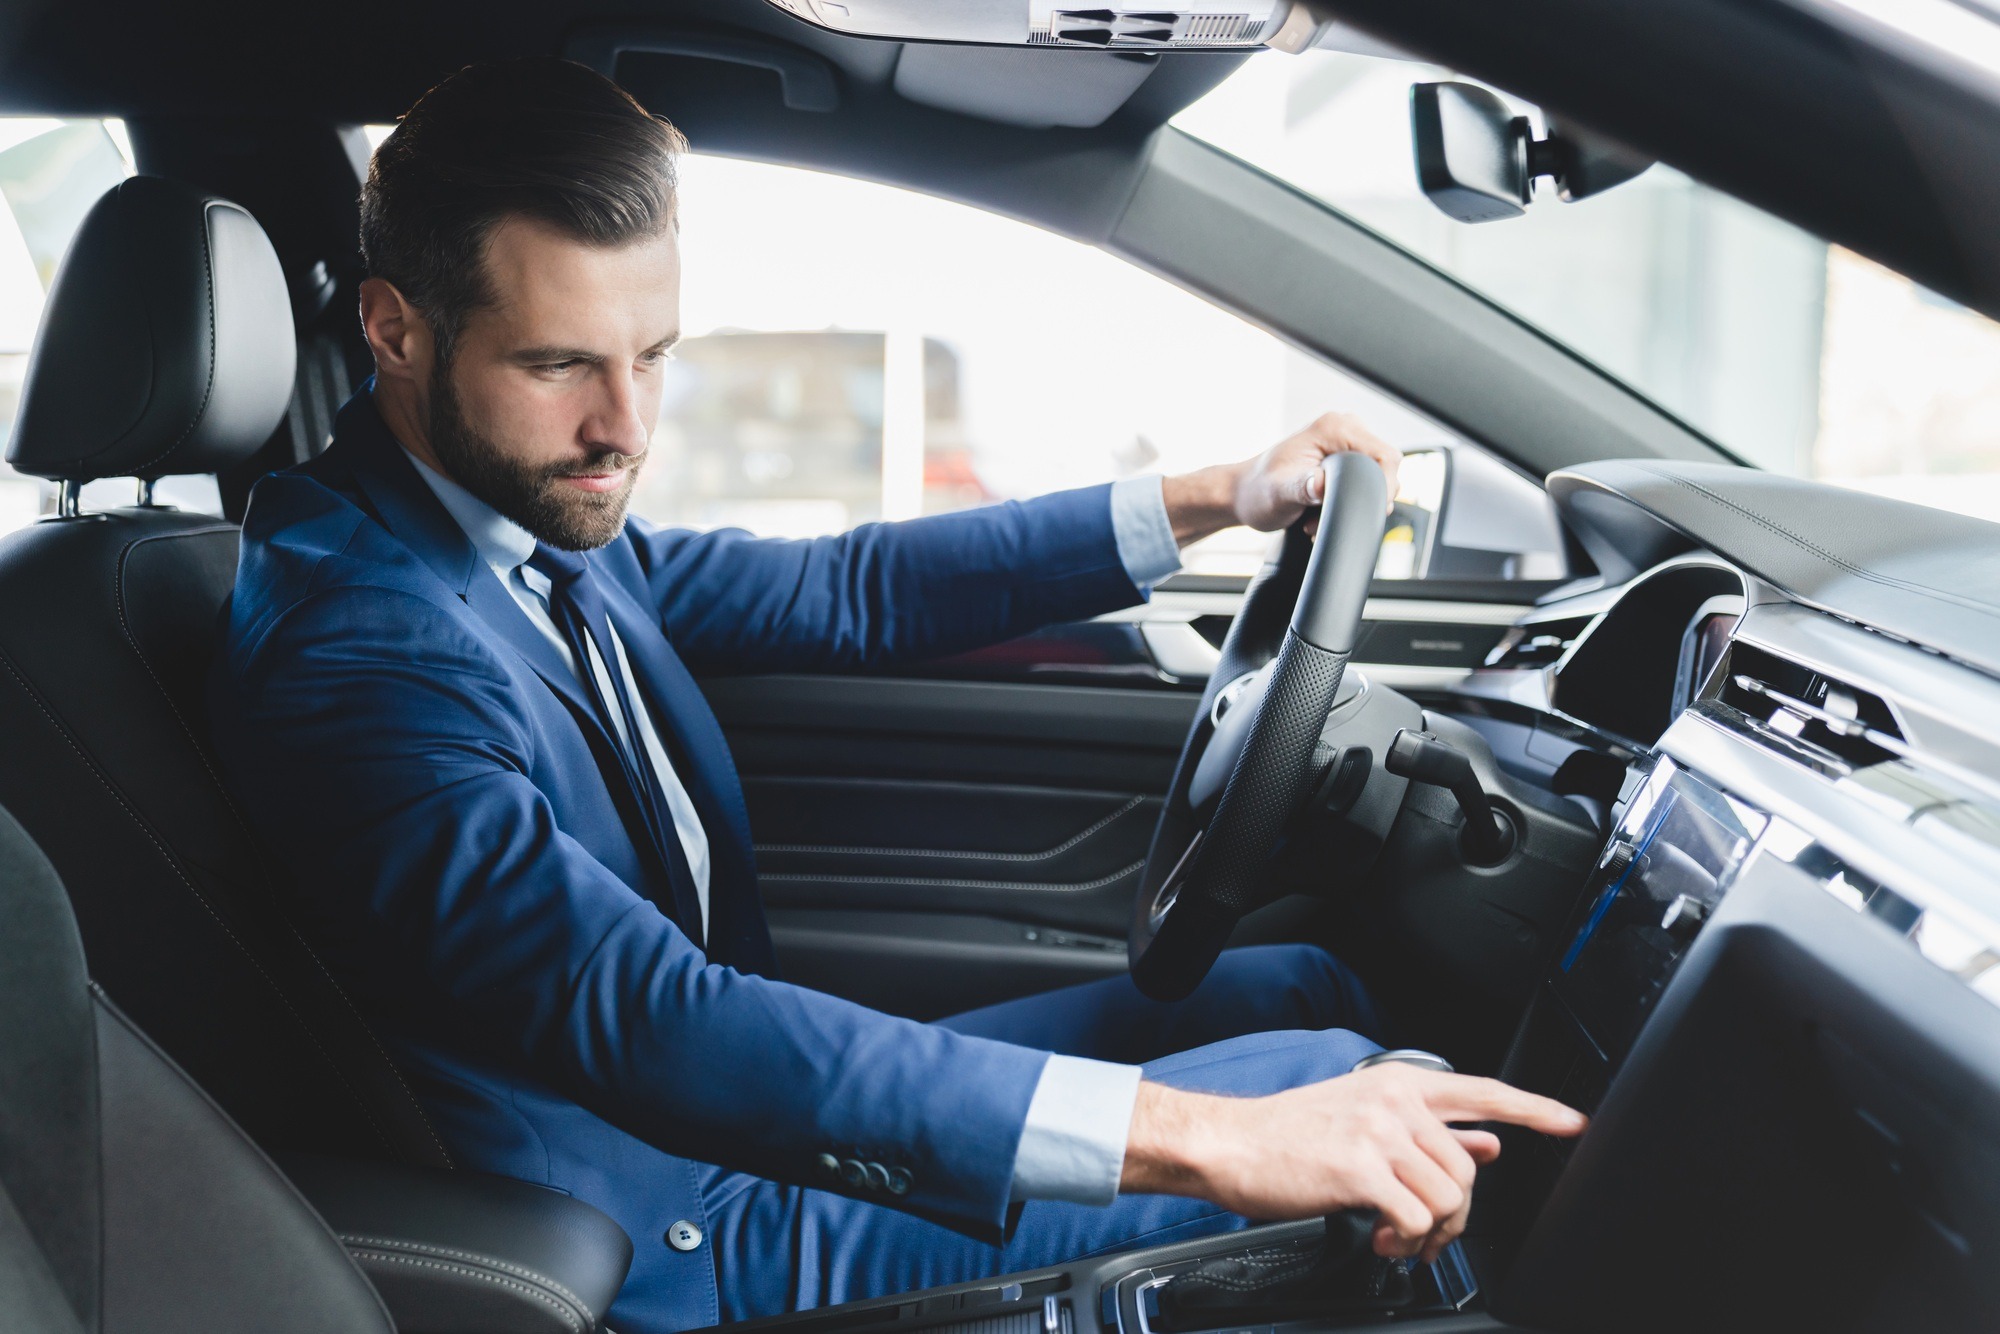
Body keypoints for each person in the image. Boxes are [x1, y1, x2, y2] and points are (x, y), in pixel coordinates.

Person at [210, 57, 1585, 1334]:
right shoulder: (358, 644)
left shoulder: (499, 524)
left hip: (720, 1126)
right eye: (559, 364)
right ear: (395, 329)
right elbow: (650, 1013)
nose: (627, 428)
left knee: (1301, 989)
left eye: (657, 356)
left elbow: (851, 590)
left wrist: (1219, 494)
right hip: (668, 1225)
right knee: (1326, 1103)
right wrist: (1211, 1136)